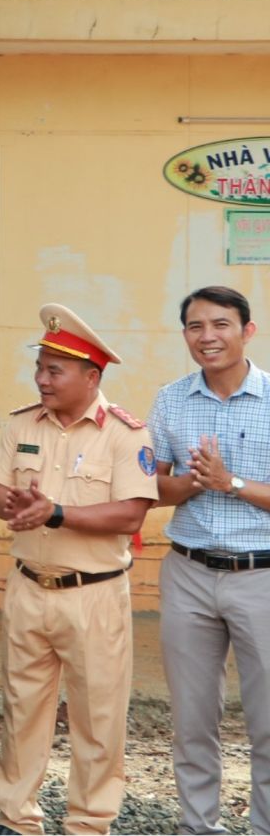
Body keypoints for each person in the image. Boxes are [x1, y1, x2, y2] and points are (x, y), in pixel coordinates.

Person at [0, 304, 156, 836]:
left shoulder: (126, 434)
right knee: (22, 712)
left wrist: (57, 512)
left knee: (98, 718)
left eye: (54, 369)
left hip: (95, 595)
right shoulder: (20, 424)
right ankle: (17, 820)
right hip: (29, 586)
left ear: (91, 376)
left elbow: (131, 511)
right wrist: (9, 502)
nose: (41, 378)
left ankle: (89, 822)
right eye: (40, 366)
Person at [147, 286, 270, 835]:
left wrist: (231, 483)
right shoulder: (170, 400)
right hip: (189, 572)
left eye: (220, 325)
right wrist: (191, 485)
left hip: (261, 576)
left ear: (247, 331)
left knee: (268, 723)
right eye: (196, 327)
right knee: (193, 720)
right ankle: (200, 828)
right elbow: (155, 488)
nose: (208, 337)